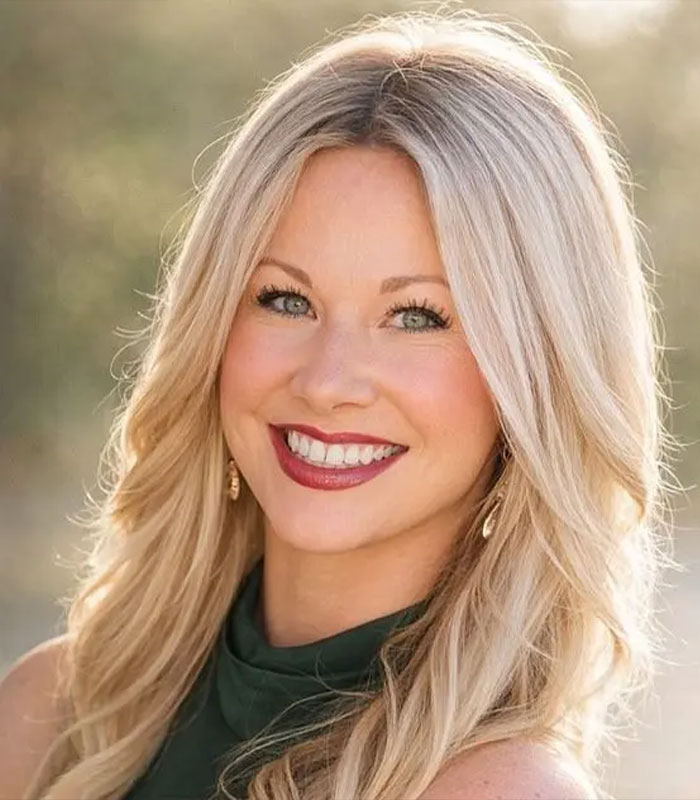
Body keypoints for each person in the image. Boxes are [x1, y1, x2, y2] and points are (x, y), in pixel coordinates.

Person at [0, 9, 675, 800]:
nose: (327, 381)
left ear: (538, 376)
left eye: (418, 316)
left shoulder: (501, 791)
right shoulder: (51, 714)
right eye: (285, 299)